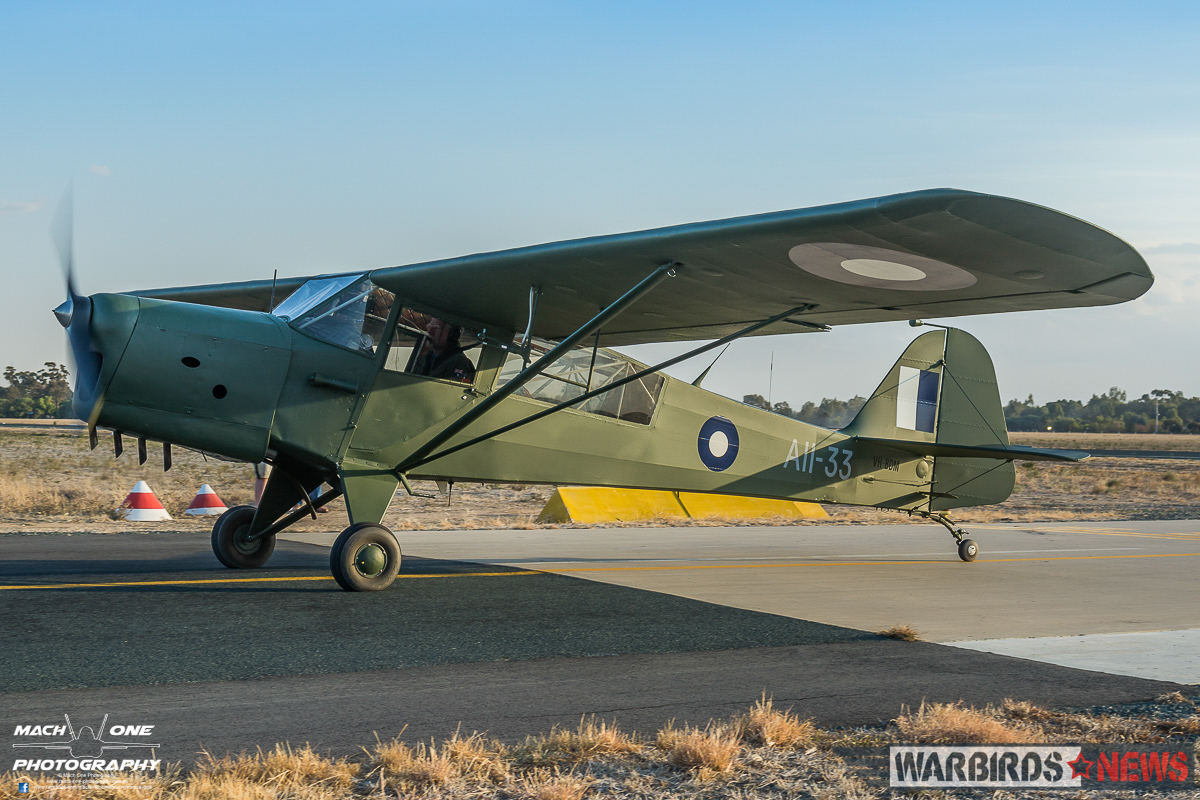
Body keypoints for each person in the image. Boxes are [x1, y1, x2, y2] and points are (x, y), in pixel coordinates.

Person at [412, 318, 476, 383]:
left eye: (436, 328)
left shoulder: (459, 361)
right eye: (429, 327)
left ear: (452, 335)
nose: (430, 332)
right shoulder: (426, 358)